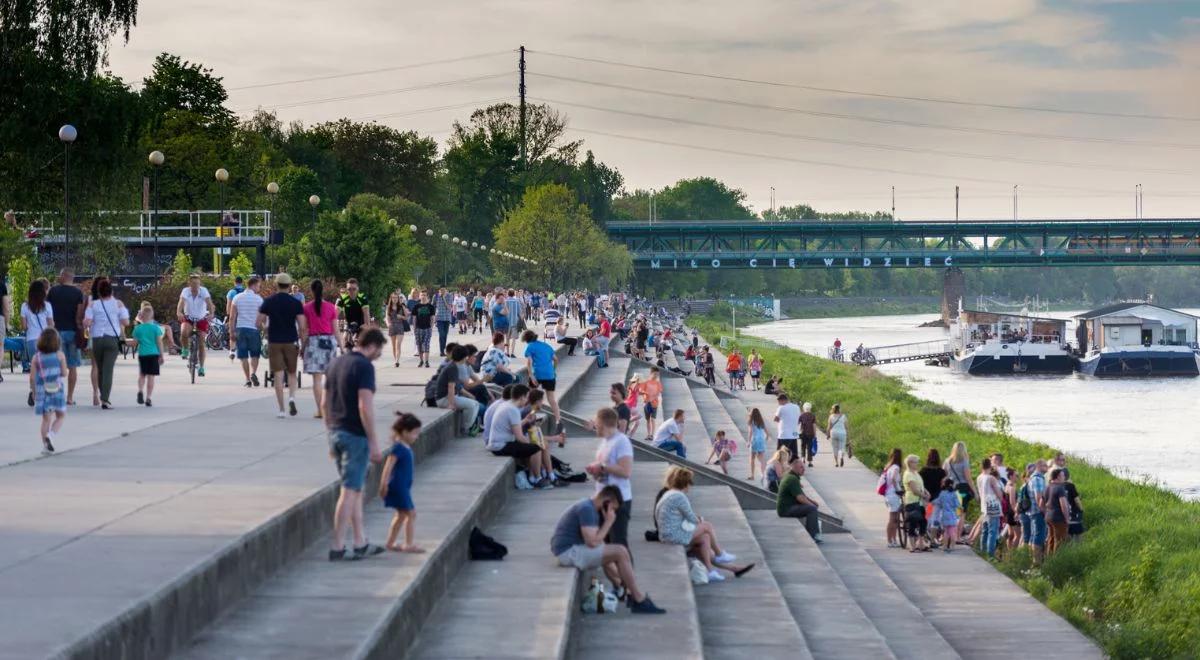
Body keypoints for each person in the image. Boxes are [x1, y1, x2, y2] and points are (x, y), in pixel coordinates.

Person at [550, 486, 666, 614]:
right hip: (568, 552)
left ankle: (624, 590)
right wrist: (609, 522)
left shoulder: (590, 507)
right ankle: (638, 599)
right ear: (607, 502)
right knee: (620, 551)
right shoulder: (587, 509)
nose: (613, 513)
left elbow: (597, 542)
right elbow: (592, 542)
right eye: (613, 509)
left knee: (611, 551)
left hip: (571, 549)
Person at [325, 326, 387, 561]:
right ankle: (338, 546)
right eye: (378, 351)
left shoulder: (336, 363)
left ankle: (361, 541)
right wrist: (373, 442)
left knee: (357, 489)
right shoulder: (364, 367)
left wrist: (329, 434)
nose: (378, 356)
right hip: (355, 437)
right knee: (350, 491)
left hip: (336, 432)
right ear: (371, 346)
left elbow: (324, 402)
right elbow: (365, 407)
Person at [654, 466, 753, 582]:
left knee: (705, 538)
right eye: (690, 483)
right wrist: (700, 520)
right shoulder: (679, 496)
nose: (690, 487)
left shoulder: (669, 493)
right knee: (707, 526)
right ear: (685, 483)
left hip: (667, 534)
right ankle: (720, 554)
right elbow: (692, 518)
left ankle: (712, 571)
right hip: (672, 536)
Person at [258, 274, 308, 418]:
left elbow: (258, 322)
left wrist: (266, 328)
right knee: (292, 373)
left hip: (274, 342)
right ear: (289, 285)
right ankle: (291, 397)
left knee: (278, 376)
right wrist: (303, 343)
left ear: (276, 284)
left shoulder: (269, 301)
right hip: (291, 341)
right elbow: (302, 326)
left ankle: (281, 410)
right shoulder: (296, 303)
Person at [586, 407, 634, 551]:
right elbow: (604, 471)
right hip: (603, 498)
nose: (594, 425)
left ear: (603, 422)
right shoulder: (605, 442)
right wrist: (595, 471)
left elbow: (626, 471)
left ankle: (626, 573)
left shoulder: (621, 441)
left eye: (596, 422)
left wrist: (602, 466)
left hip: (618, 501)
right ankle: (616, 573)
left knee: (618, 545)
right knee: (606, 546)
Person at [485, 385, 551, 489]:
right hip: (500, 446)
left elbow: (513, 426)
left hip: (497, 444)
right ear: (521, 397)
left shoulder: (507, 405)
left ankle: (532, 475)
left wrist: (525, 420)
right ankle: (537, 479)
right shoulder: (513, 410)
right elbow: (520, 437)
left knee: (532, 446)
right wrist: (535, 443)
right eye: (527, 397)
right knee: (536, 448)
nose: (527, 401)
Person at [380, 412, 424, 553]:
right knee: (411, 514)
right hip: (398, 487)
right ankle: (408, 544)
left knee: (402, 515)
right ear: (405, 432)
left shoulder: (404, 447)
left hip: (403, 487)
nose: (417, 437)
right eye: (415, 433)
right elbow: (388, 467)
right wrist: (384, 484)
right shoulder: (398, 447)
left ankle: (390, 543)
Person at [83, 279, 129, 409]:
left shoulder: (93, 304)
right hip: (112, 339)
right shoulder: (118, 304)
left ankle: (101, 395)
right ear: (111, 291)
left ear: (99, 292)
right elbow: (125, 322)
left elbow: (87, 322)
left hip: (97, 339)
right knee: (108, 369)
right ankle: (105, 399)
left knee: (100, 368)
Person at [46, 269, 84, 405]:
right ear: (72, 278)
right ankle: (69, 397)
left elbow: (47, 311)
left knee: (54, 365)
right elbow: (79, 315)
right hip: (73, 332)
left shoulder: (53, 291)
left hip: (56, 332)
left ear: (63, 276)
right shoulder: (78, 293)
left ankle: (53, 397)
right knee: (72, 366)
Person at [302, 280, 339, 419]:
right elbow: (336, 330)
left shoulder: (306, 308)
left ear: (312, 291)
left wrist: (303, 347)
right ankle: (329, 408)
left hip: (313, 342)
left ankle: (319, 410)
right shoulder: (331, 308)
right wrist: (341, 345)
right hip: (329, 342)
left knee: (316, 380)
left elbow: (304, 330)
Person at [30, 327, 66, 454]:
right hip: (57, 389)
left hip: (42, 390)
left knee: (46, 419)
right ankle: (50, 436)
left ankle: (45, 446)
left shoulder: (36, 358)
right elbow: (64, 373)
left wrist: (34, 392)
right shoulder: (60, 355)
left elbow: (32, 378)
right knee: (60, 416)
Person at [20, 280, 54, 405]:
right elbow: (51, 325)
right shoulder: (47, 306)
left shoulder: (25, 306)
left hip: (31, 341)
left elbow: (23, 326)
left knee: (34, 369)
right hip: (46, 341)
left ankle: (33, 394)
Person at [436, 345, 481, 436]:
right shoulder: (453, 368)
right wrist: (451, 404)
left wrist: (468, 395)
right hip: (443, 399)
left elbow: (457, 386)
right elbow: (451, 387)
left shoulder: (453, 365)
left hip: (448, 397)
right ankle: (465, 428)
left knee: (475, 403)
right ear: (463, 357)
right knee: (472, 405)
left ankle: (468, 426)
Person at [229, 276, 264, 387]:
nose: (259, 288)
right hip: (254, 330)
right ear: (253, 285)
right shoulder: (259, 299)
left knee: (243, 356)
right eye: (258, 286)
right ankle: (254, 373)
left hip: (240, 329)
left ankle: (247, 379)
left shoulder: (237, 298)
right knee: (255, 355)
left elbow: (232, 317)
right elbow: (262, 316)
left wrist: (231, 331)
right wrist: (263, 327)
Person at [523, 329, 561, 432]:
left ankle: (530, 416)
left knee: (530, 395)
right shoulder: (546, 346)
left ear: (526, 339)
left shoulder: (530, 346)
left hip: (538, 374)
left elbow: (529, 363)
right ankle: (558, 420)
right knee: (551, 399)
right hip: (549, 374)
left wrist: (531, 376)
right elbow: (556, 359)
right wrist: (553, 370)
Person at [176, 274, 215, 376]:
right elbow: (181, 302)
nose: (195, 286)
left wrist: (211, 313)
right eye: (193, 283)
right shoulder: (185, 291)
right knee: (184, 332)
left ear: (200, 283)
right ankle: (185, 349)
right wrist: (179, 312)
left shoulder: (204, 291)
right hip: (189, 318)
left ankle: (201, 367)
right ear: (189, 284)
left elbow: (209, 303)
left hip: (201, 319)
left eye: (197, 283)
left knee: (202, 343)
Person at [776, 456, 822, 542]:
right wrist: (812, 505)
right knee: (811, 509)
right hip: (785, 510)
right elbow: (800, 498)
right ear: (795, 468)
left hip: (788, 507)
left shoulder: (792, 476)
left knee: (812, 506)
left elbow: (801, 495)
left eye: (803, 467)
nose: (803, 469)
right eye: (801, 467)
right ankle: (813, 536)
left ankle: (814, 533)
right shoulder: (792, 479)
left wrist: (812, 502)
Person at [130, 305, 165, 407]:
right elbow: (159, 343)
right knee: (151, 377)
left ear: (141, 316)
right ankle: (148, 398)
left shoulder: (138, 329)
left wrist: (124, 341)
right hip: (153, 354)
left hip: (143, 354)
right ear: (152, 316)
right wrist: (161, 355)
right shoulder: (156, 328)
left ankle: (140, 390)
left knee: (142, 374)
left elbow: (134, 343)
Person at [943, 441, 976, 540]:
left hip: (950, 488)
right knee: (961, 513)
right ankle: (957, 537)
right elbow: (968, 478)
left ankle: (946, 535)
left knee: (951, 512)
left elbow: (944, 476)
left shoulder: (947, 461)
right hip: (962, 489)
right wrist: (975, 491)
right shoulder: (964, 461)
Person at [976, 457, 1005, 557]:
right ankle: (990, 554)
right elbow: (999, 494)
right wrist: (1001, 495)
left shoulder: (979, 477)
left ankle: (982, 551)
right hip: (993, 505)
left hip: (983, 506)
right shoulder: (991, 478)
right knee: (993, 531)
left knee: (985, 530)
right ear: (990, 466)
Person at [902, 454, 931, 552]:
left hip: (920, 502)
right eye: (915, 462)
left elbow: (920, 486)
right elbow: (914, 489)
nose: (917, 464)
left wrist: (926, 491)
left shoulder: (916, 473)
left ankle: (921, 543)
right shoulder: (908, 474)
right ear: (910, 463)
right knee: (913, 522)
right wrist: (924, 495)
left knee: (923, 522)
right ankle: (912, 545)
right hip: (912, 501)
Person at [1043, 467, 1072, 557]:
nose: (1064, 478)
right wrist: (1067, 519)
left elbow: (1041, 503)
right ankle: (1056, 561)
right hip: (1058, 518)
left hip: (1048, 516)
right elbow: (1063, 505)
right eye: (1063, 476)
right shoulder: (1060, 488)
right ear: (1058, 477)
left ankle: (1048, 560)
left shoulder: (1047, 487)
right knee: (1060, 541)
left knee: (1051, 539)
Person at [335, 278, 370, 346]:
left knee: (359, 342)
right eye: (349, 289)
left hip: (361, 323)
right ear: (346, 289)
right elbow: (334, 314)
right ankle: (347, 354)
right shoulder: (343, 298)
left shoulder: (362, 297)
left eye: (354, 289)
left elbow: (366, 314)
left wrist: (367, 327)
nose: (351, 291)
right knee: (345, 339)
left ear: (358, 289)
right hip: (348, 322)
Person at [930, 478, 961, 552]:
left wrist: (931, 501)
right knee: (952, 532)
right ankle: (952, 546)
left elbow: (938, 502)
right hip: (952, 515)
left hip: (944, 515)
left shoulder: (942, 493)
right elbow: (957, 504)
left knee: (946, 532)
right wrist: (961, 508)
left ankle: (944, 546)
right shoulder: (954, 494)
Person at [882, 448, 903, 547]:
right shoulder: (896, 467)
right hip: (893, 494)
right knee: (893, 519)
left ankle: (893, 540)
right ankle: (890, 540)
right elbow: (894, 479)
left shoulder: (888, 466)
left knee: (893, 518)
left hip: (888, 494)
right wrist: (898, 489)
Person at [638, 367, 664, 441]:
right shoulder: (646, 382)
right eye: (655, 374)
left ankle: (652, 435)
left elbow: (659, 392)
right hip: (646, 403)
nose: (656, 376)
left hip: (654, 403)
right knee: (648, 420)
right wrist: (645, 393)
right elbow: (640, 391)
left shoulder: (658, 383)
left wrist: (652, 396)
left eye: (657, 375)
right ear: (651, 373)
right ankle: (648, 434)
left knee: (653, 419)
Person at [410, 291, 435, 368]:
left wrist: (431, 327)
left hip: (427, 328)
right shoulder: (416, 306)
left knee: (426, 344)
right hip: (418, 328)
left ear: (427, 296)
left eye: (424, 295)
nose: (423, 296)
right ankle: (421, 360)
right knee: (419, 345)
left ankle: (426, 361)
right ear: (419, 296)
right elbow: (414, 318)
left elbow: (432, 318)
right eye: (422, 295)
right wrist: (414, 328)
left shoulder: (430, 307)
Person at [773, 393, 801, 461]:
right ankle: (794, 468)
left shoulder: (781, 408)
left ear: (782, 400)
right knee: (793, 454)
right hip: (794, 434)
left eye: (779, 402)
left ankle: (782, 468)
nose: (779, 403)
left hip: (784, 434)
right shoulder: (797, 407)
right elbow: (798, 419)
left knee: (781, 454)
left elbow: (775, 419)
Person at [385, 292, 409, 367]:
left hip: (400, 326)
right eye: (393, 298)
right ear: (391, 299)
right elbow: (387, 318)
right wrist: (388, 324)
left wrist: (401, 316)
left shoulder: (401, 306)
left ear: (398, 299)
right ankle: (396, 360)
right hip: (392, 327)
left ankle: (397, 361)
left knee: (398, 344)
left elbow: (406, 317)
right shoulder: (388, 307)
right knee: (393, 346)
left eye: (396, 298)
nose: (394, 299)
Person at [746, 408, 769, 481]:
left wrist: (748, 441)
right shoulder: (761, 421)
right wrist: (765, 439)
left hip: (754, 440)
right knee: (762, 459)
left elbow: (750, 432)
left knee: (752, 458)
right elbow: (767, 433)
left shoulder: (751, 421)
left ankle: (752, 475)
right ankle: (763, 474)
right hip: (761, 440)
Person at [432, 286, 453, 357]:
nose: (442, 291)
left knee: (445, 335)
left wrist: (443, 298)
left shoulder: (449, 296)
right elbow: (433, 306)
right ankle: (441, 351)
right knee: (441, 334)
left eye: (443, 290)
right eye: (441, 290)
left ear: (446, 290)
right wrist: (433, 316)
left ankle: (443, 349)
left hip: (447, 318)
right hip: (439, 318)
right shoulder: (435, 296)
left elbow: (449, 308)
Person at [799, 402, 817, 467]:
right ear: (810, 408)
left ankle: (803, 458)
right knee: (809, 447)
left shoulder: (801, 415)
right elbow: (814, 426)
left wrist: (799, 431)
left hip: (803, 433)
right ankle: (810, 462)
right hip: (810, 434)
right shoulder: (812, 415)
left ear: (804, 408)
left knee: (803, 446)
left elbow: (798, 424)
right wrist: (815, 434)